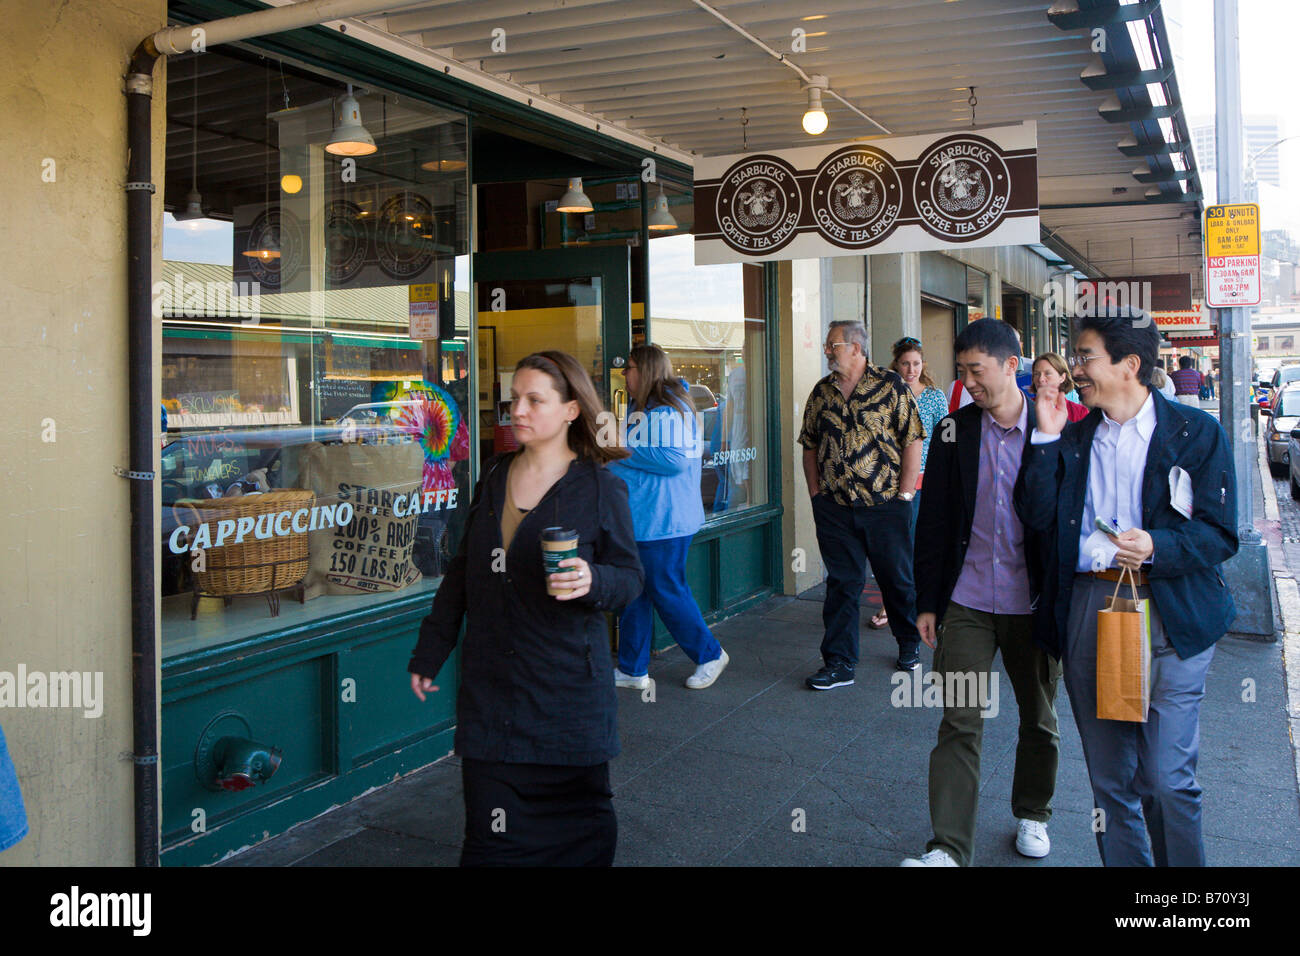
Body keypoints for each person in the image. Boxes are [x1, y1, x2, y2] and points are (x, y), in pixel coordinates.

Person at [1016, 307, 1238, 867]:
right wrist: (1043, 438)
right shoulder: (1070, 436)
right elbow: (1036, 516)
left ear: (1129, 365)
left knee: (1167, 780)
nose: (1074, 370)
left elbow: (1219, 533)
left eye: (1085, 357)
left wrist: (1159, 547)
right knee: (1112, 781)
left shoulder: (1195, 433)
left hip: (1174, 611)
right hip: (1091, 606)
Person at [407, 350, 644, 867]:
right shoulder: (493, 476)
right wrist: (431, 651)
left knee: (581, 841)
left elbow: (629, 578)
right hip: (493, 696)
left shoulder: (601, 488)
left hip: (567, 699)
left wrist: (591, 578)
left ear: (571, 410)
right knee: (491, 842)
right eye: (515, 398)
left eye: (535, 399)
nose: (518, 409)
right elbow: (463, 572)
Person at [902, 319, 1062, 867]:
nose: (968, 380)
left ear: (1010, 366)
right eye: (963, 369)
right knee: (959, 722)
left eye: (978, 370)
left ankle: (1033, 813)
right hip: (967, 602)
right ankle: (947, 847)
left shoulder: (1054, 428)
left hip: (1032, 606)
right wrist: (927, 602)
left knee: (1037, 717)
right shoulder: (953, 430)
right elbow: (935, 524)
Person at [799, 320, 925, 685]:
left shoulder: (890, 385)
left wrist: (905, 493)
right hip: (835, 508)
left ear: (856, 347)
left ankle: (908, 643)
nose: (827, 351)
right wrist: (815, 495)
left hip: (885, 505)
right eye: (826, 345)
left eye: (832, 345)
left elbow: (913, 437)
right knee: (842, 584)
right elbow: (809, 445)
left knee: (896, 580)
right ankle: (839, 663)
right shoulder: (822, 392)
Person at [610, 345, 728, 691]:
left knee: (666, 589)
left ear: (646, 371)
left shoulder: (667, 410)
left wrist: (620, 450)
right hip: (648, 519)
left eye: (629, 368)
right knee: (635, 592)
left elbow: (673, 460)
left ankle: (710, 654)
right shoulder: (650, 407)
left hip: (663, 521)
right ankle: (633, 668)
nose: (625, 375)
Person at [869, 337, 946, 629]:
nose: (911, 369)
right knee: (893, 545)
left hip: (926, 481)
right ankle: (893, 602)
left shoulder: (935, 396)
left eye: (916, 363)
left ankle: (916, 605)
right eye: (905, 363)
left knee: (917, 544)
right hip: (890, 480)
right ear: (896, 365)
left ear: (922, 364)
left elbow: (946, 438)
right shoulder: (885, 394)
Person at [1031, 353, 1088, 423]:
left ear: (1062, 377)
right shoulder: (1024, 408)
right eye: (1036, 374)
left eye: (1047, 373)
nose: (1040, 379)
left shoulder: (1079, 412)